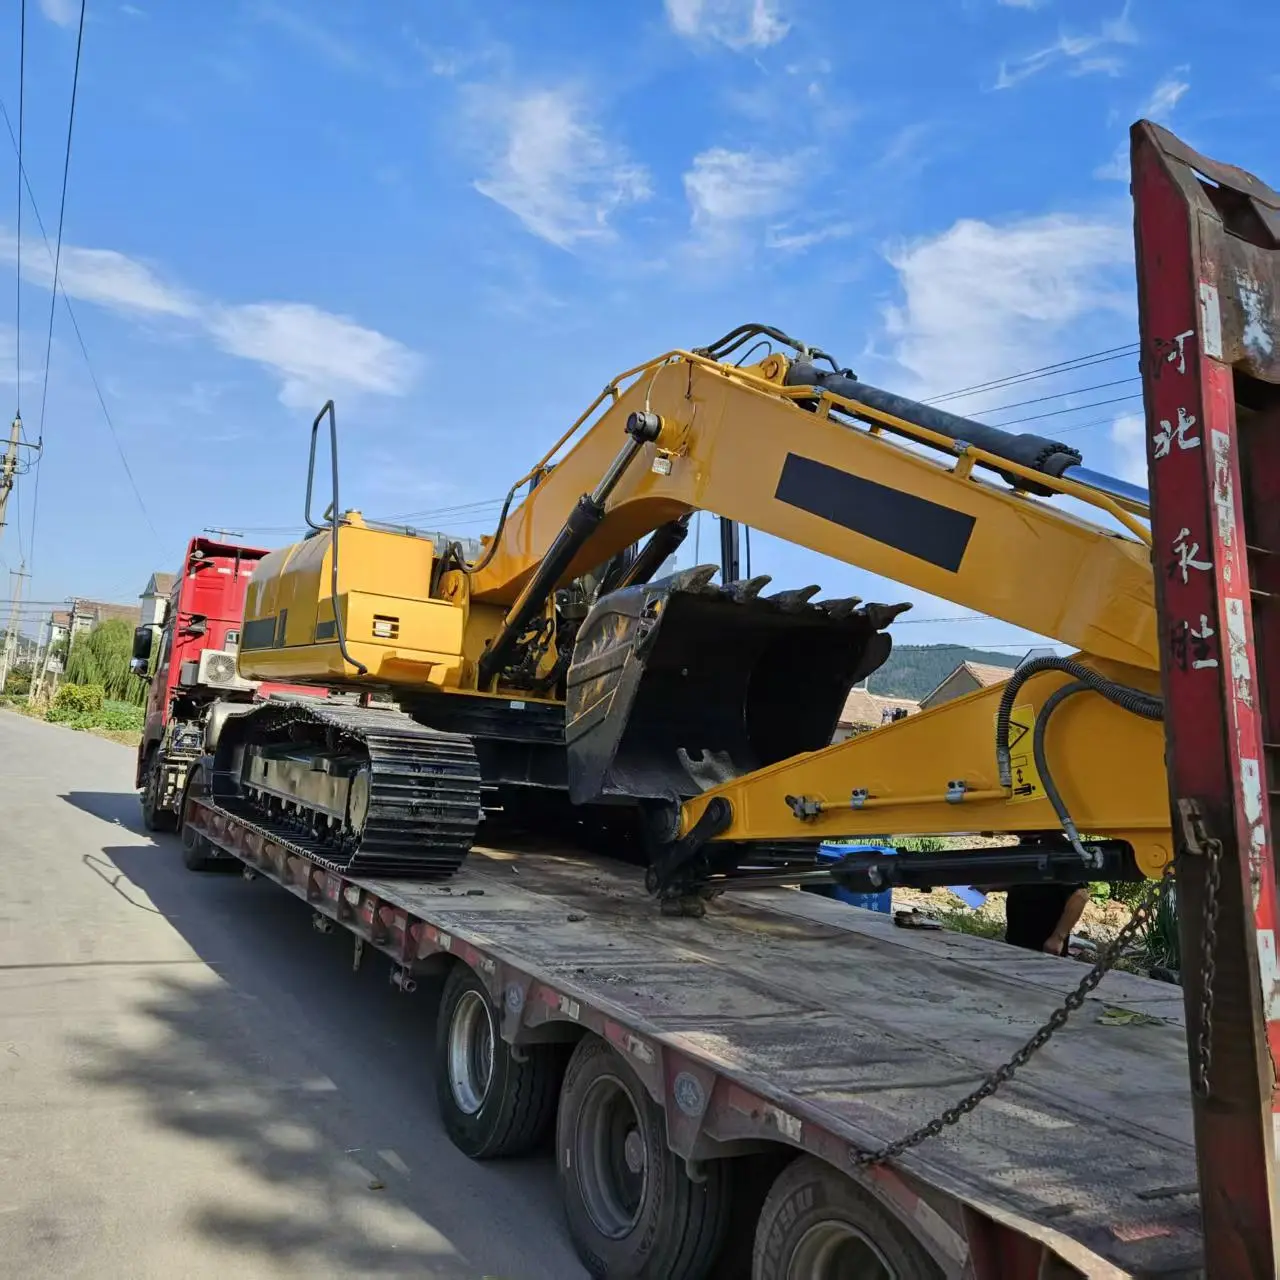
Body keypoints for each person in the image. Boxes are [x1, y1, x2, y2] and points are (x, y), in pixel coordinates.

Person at [1004, 881, 1090, 956]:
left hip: (1045, 947)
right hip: (1015, 942)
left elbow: (1080, 895)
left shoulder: (1064, 867)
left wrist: (1058, 938)